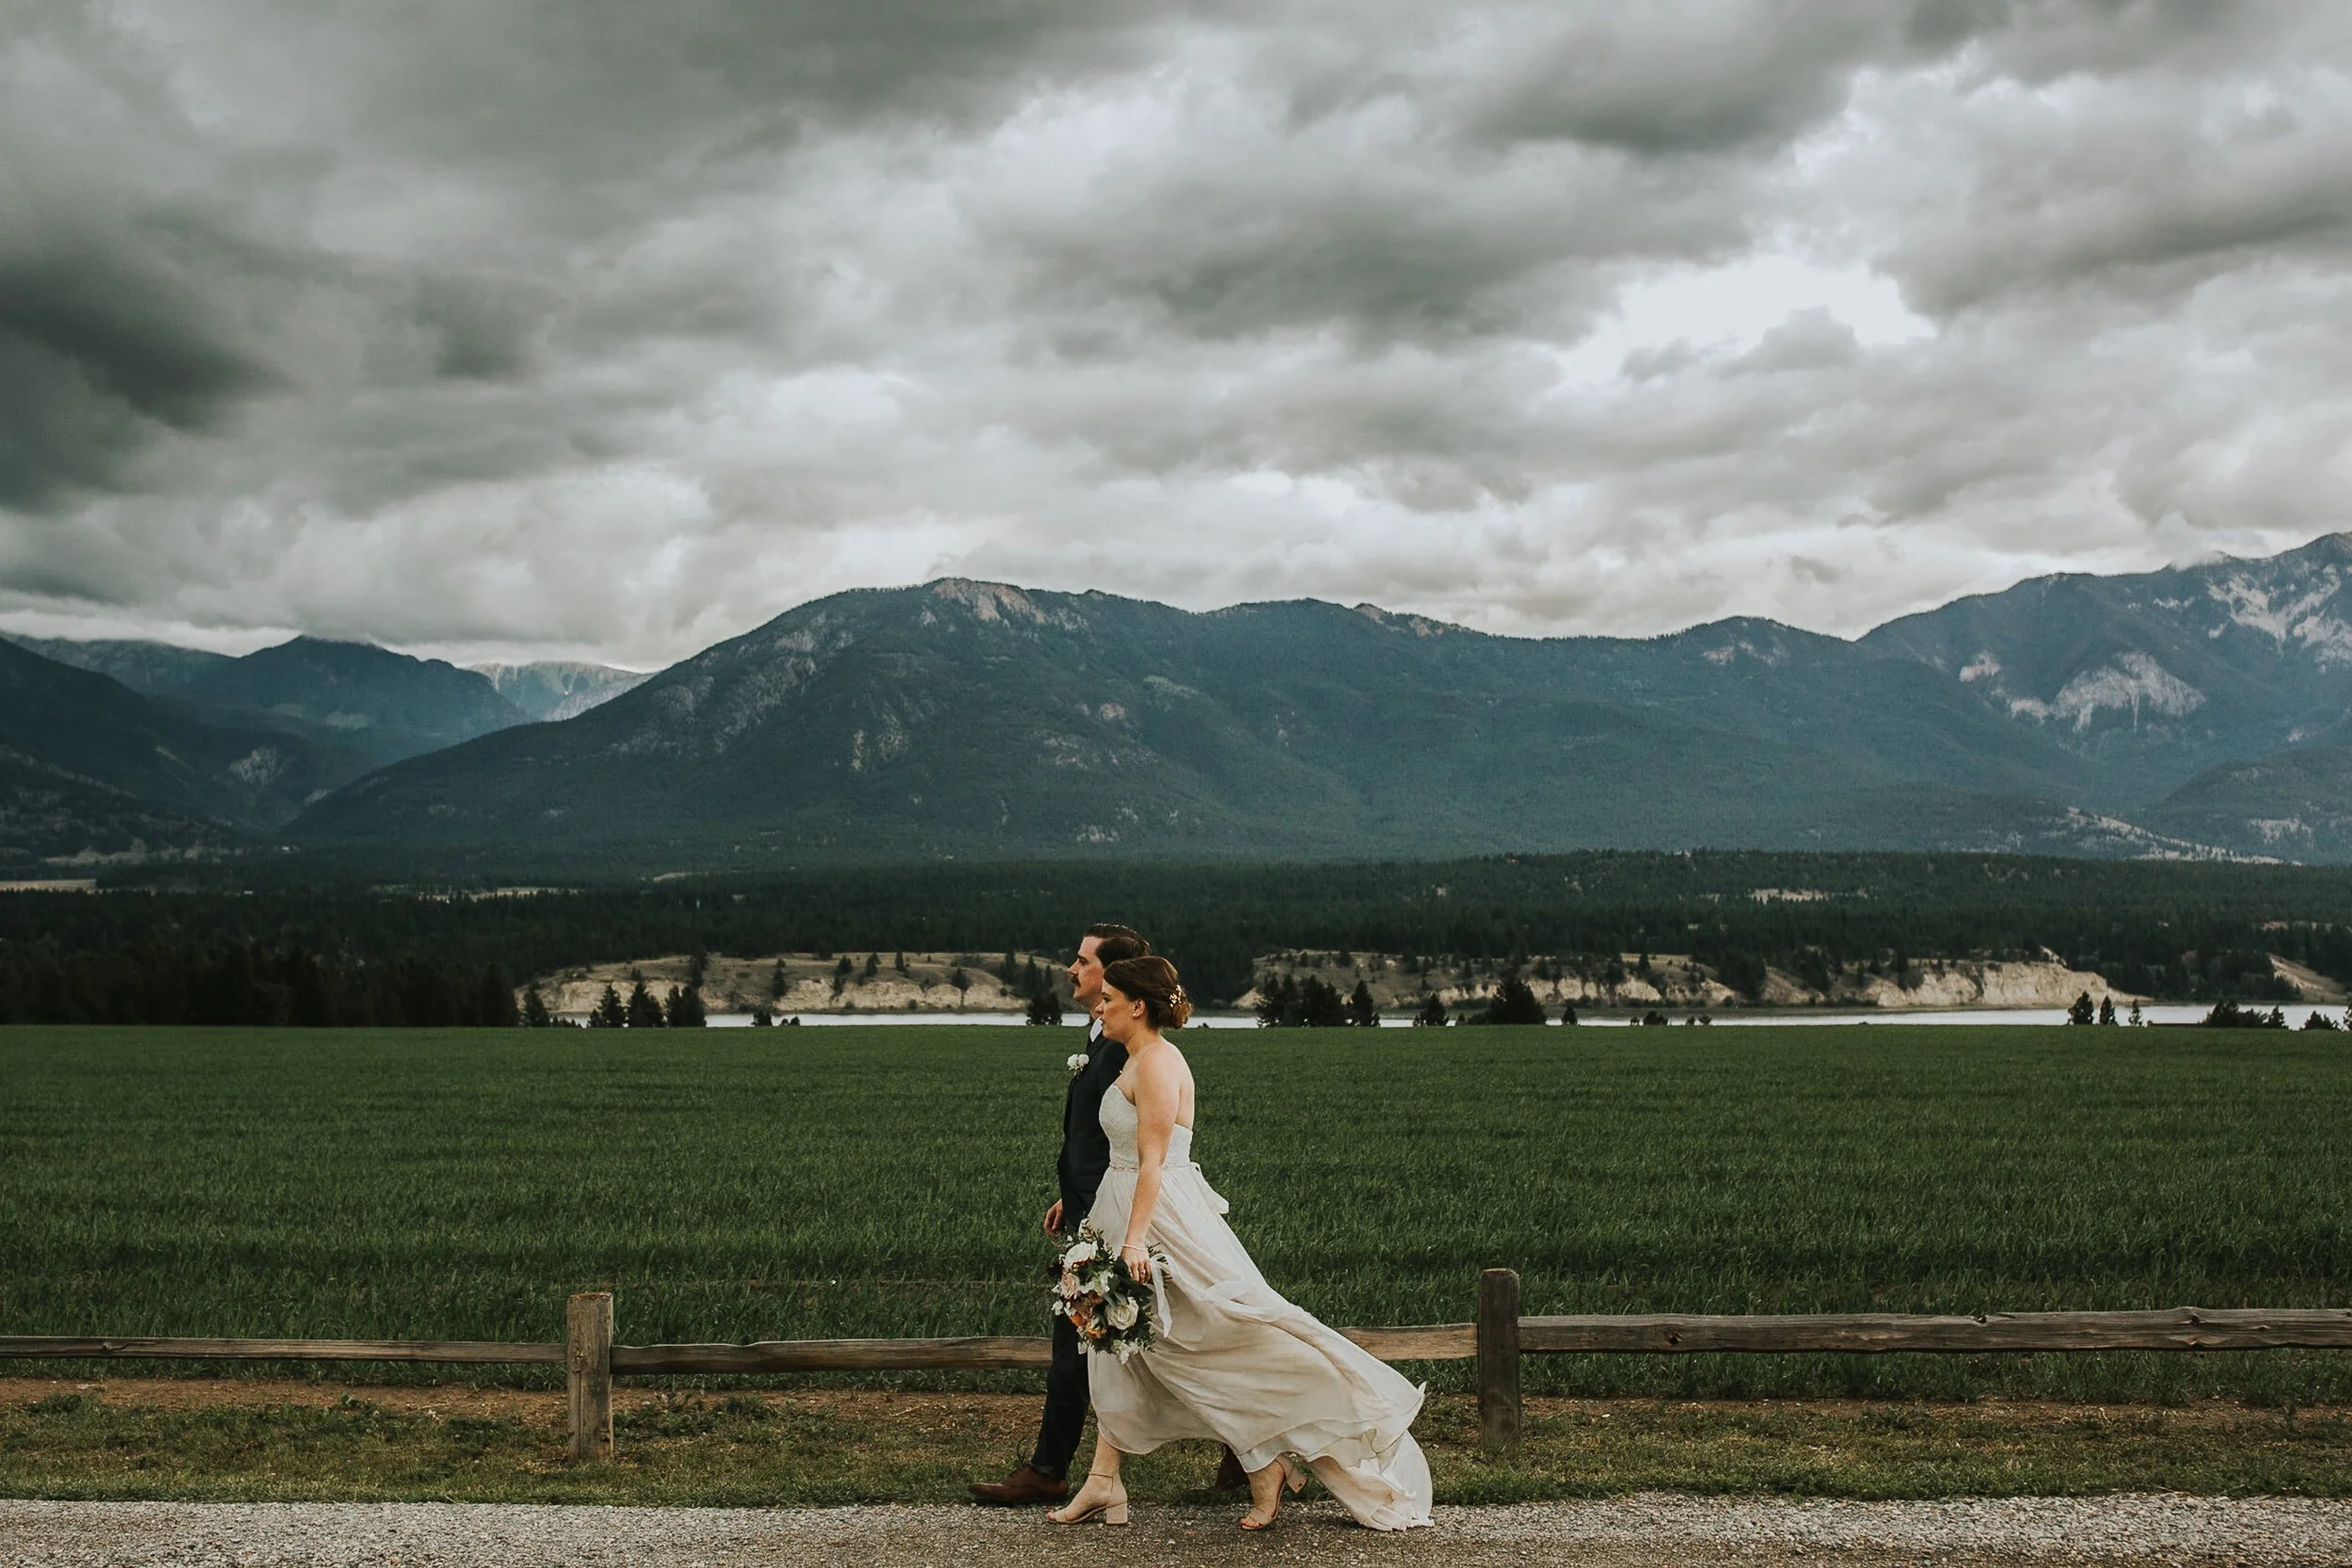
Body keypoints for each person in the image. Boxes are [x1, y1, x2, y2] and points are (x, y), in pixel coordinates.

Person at [1046, 955, 1433, 1532]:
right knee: (1120, 1348)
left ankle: (1268, 1458)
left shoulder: (1158, 1063)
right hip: (1120, 1208)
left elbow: (1153, 1163)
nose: (1099, 1007)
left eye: (1109, 999)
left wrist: (1133, 1243)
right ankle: (1105, 1482)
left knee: (1210, 1339)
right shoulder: (1135, 1059)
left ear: (1138, 1006)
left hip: (1158, 1220)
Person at [971, 925, 1255, 1502]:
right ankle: (1231, 1452)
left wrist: (1121, 1228)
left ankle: (1057, 1470)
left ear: (1119, 978)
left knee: (1132, 1335)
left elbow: (1145, 1146)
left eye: (1084, 962)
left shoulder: (1135, 1047)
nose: (1072, 971)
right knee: (1123, 1337)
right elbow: (1104, 1136)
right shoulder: (1104, 1035)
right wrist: (1070, 1196)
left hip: (1127, 1216)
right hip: (1098, 1205)